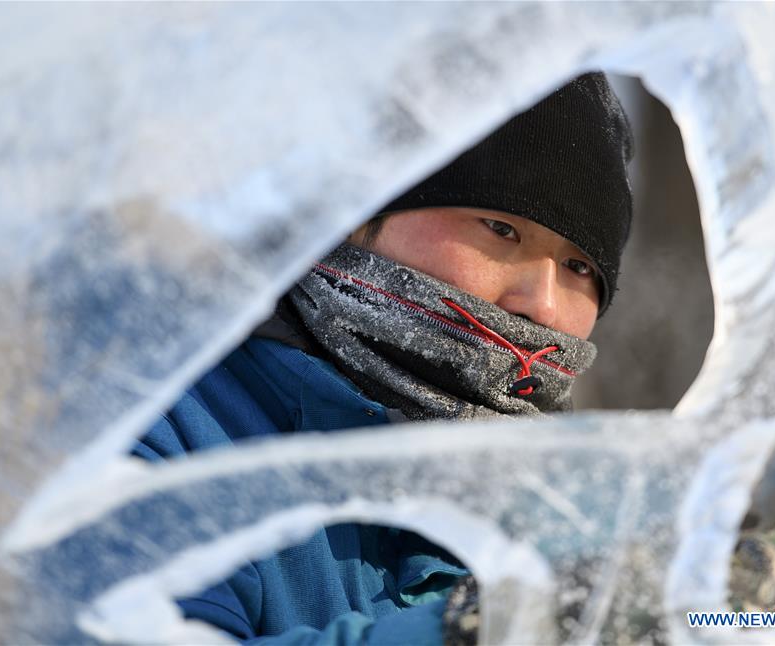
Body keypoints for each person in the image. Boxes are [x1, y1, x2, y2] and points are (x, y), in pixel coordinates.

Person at [134, 71, 634, 644]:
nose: (542, 308)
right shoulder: (161, 436)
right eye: (501, 229)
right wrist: (476, 630)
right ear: (356, 211)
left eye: (579, 269)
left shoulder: (576, 507)